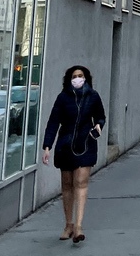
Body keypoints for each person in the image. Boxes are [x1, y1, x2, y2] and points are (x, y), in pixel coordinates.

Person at [42, 65, 106, 244]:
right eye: (74, 76)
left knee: (81, 181)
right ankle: (68, 224)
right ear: (69, 79)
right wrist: (47, 146)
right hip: (65, 144)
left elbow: (100, 116)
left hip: (85, 143)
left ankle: (78, 226)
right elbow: (53, 122)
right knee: (67, 184)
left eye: (81, 76)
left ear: (86, 78)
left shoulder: (93, 96)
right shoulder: (63, 98)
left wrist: (99, 126)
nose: (78, 79)